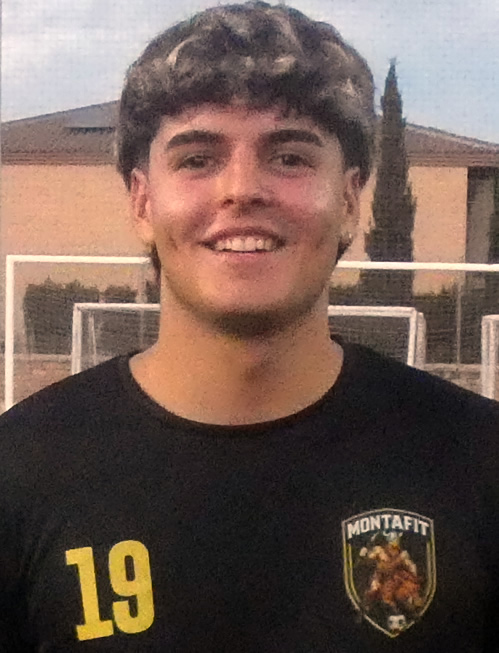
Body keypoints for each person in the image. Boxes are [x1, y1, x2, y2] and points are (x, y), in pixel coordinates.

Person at [0, 2, 497, 650]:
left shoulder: (479, 461)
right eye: (197, 159)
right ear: (143, 203)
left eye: (289, 157)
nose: (242, 190)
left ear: (350, 201)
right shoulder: (20, 472)